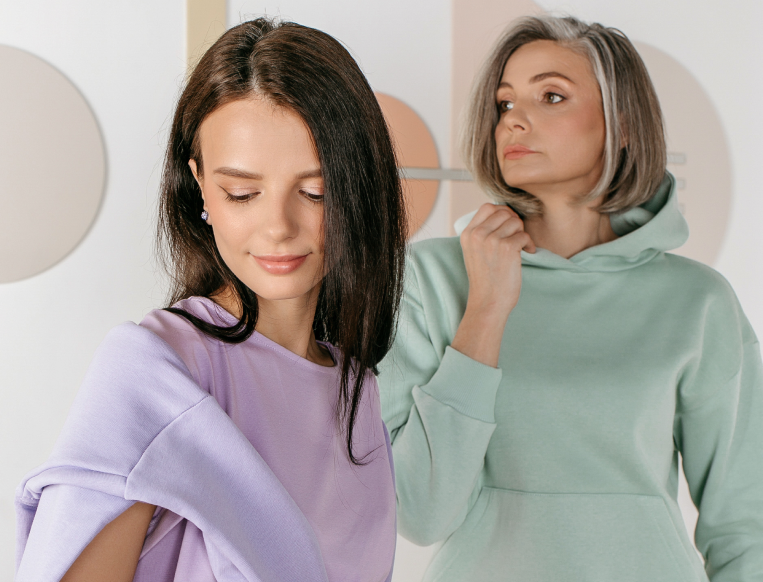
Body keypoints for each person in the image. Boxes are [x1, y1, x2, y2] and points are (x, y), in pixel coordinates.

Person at [16, 18, 406, 582]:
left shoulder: (359, 390)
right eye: (242, 193)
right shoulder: (156, 370)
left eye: (315, 191)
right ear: (200, 184)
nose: (278, 226)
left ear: (360, 189)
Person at [379, 15, 763, 582]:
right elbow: (418, 512)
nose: (514, 121)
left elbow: (744, 528)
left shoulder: (698, 302)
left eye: (552, 96)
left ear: (622, 124)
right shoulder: (430, 279)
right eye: (504, 104)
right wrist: (486, 307)